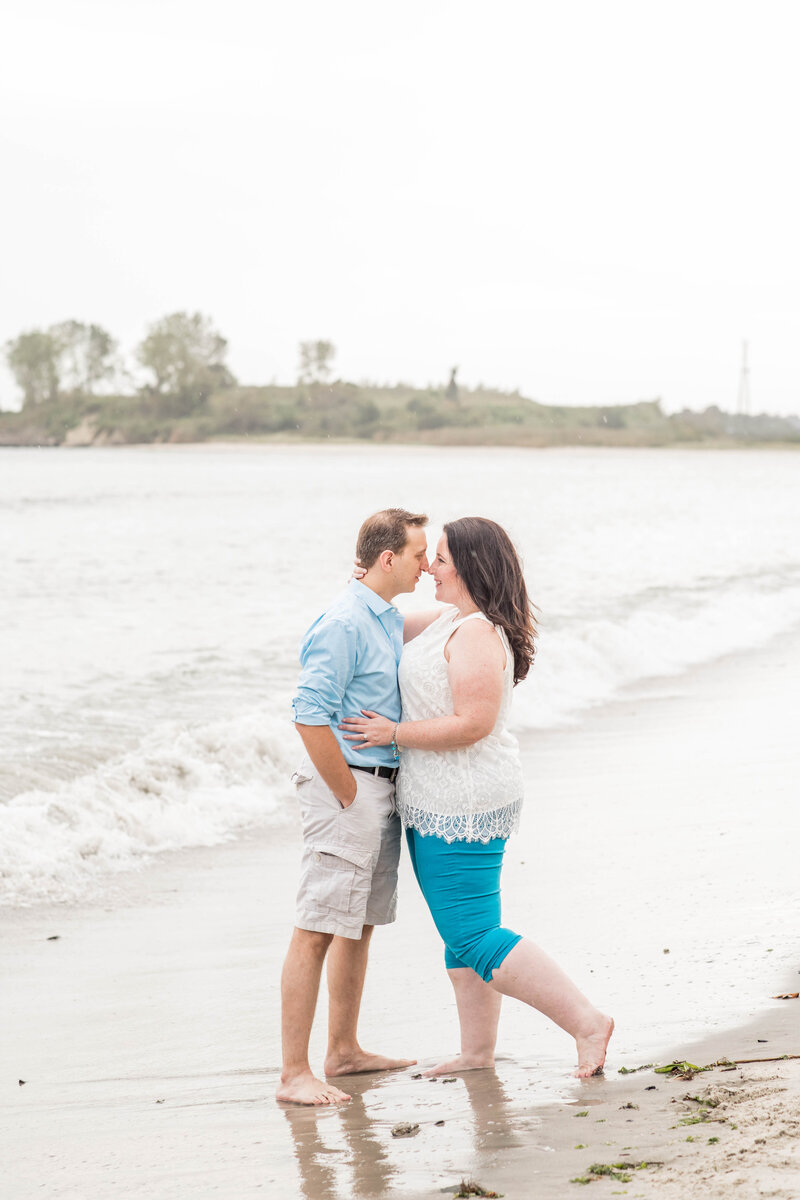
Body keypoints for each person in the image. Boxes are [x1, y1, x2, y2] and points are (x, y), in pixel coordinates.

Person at [340, 517, 614, 1078]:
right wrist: (365, 581)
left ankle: (588, 1023)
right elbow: (382, 620)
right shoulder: (448, 620)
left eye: (439, 559)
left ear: (469, 567)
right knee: (462, 930)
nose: (429, 568)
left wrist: (391, 734)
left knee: (474, 932)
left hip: (461, 799)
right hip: (439, 796)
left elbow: (473, 723)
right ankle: (476, 1052)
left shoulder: (477, 634)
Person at [276, 508, 430, 1106]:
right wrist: (345, 791)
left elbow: (428, 623)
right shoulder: (344, 622)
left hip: (378, 785)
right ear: (388, 558)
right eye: (419, 555)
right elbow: (307, 711)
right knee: (316, 928)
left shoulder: (383, 616)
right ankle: (294, 1074)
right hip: (348, 788)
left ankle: (342, 1052)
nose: (424, 565)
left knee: (357, 924)